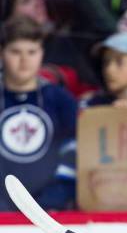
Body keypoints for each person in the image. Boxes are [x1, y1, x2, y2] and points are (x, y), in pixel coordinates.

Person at [0, 16, 77, 211]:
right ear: (2, 53)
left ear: (41, 53)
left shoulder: (62, 101)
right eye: (15, 52)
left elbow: (73, 156)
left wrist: (50, 202)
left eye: (32, 52)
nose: (24, 60)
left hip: (49, 213)